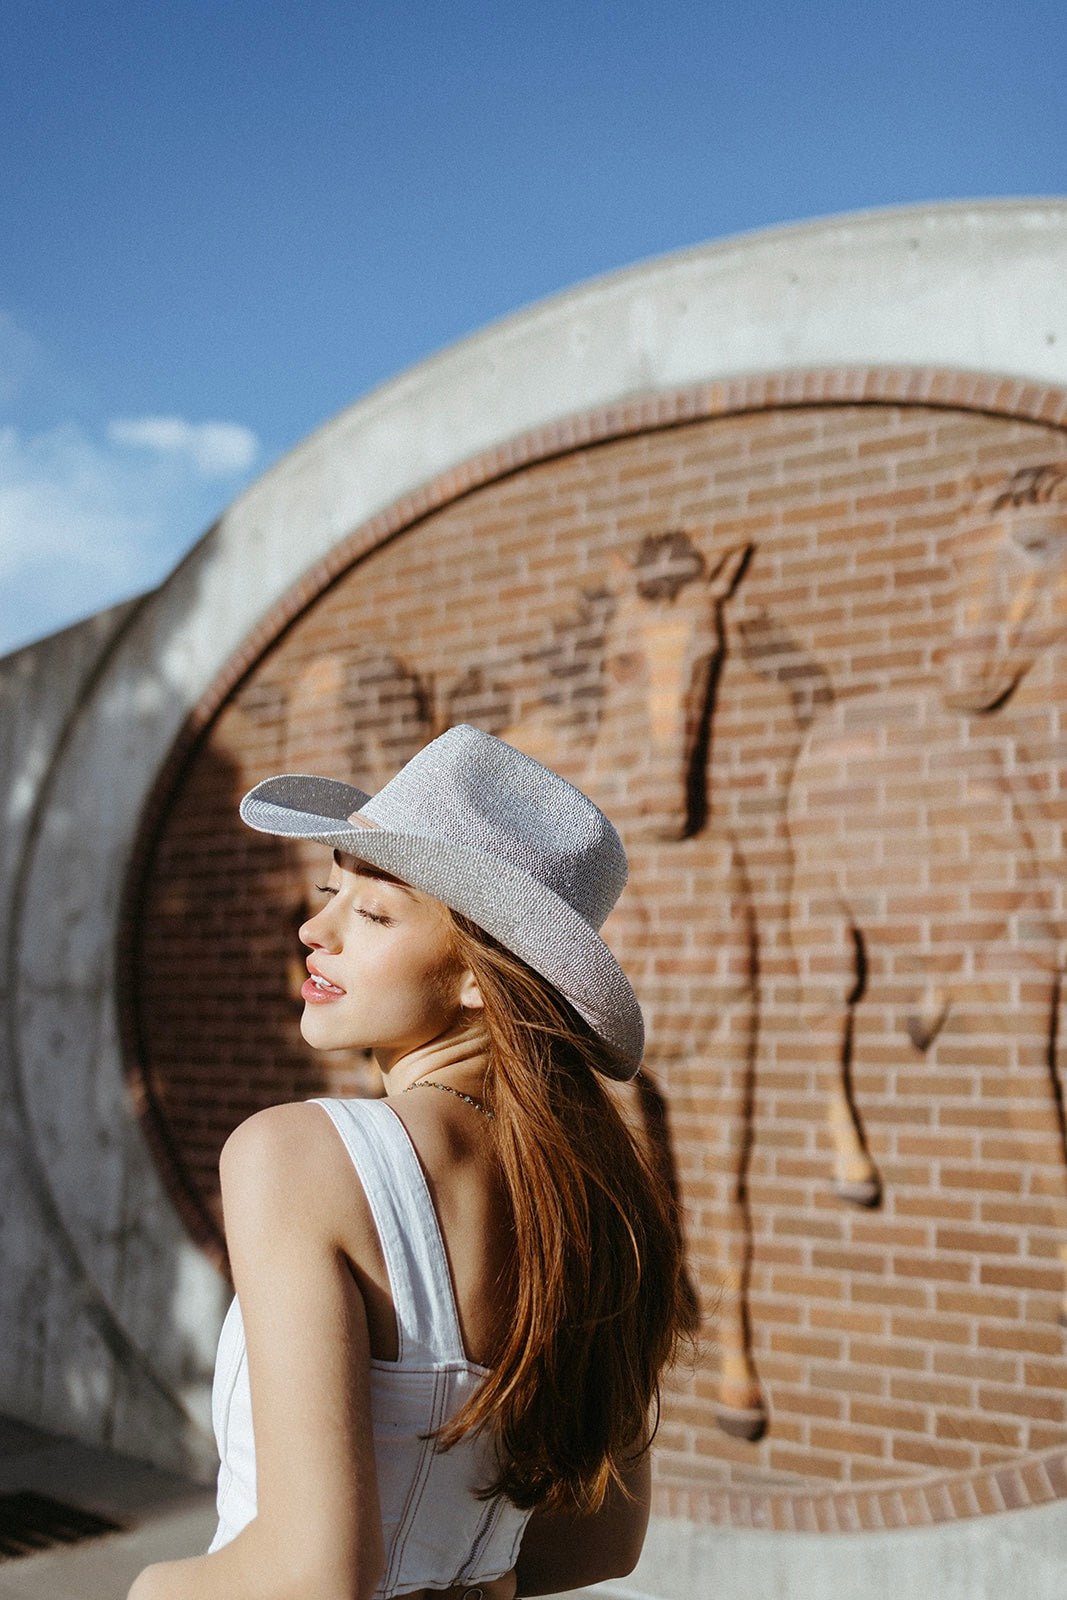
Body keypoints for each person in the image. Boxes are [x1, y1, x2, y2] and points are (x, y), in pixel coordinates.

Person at [128, 723, 697, 1600]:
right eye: (329, 890)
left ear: (480, 975)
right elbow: (600, 1546)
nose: (316, 929)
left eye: (375, 910)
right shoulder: (606, 1202)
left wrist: (149, 1589)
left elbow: (314, 1578)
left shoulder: (296, 1156)